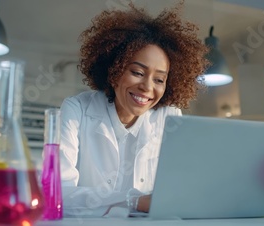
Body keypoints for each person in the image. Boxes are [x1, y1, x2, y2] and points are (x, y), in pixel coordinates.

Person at [59, 1, 209, 217]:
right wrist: (134, 201)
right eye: (137, 72)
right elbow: (58, 194)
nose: (147, 87)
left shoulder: (169, 117)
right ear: (114, 69)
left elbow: (179, 186)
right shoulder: (76, 111)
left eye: (159, 79)